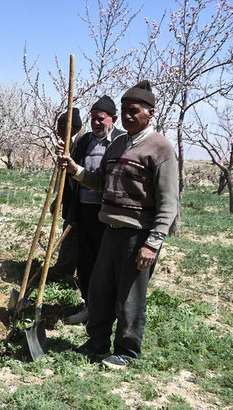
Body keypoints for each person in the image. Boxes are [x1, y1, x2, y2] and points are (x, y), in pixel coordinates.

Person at [58, 80, 178, 369]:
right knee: (100, 292)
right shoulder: (118, 144)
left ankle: (126, 351)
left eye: (133, 111)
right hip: (109, 231)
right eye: (124, 111)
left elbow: (168, 203)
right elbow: (100, 182)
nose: (127, 116)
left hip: (138, 235)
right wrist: (75, 170)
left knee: (129, 299)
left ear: (150, 113)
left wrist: (153, 243)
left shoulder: (160, 149)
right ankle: (97, 342)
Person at [61, 96, 126, 325]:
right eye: (93, 119)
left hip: (107, 215)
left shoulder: (121, 141)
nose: (96, 123)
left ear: (113, 119)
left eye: (101, 119)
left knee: (106, 265)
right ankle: (89, 306)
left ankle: (108, 312)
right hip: (83, 212)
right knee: (85, 263)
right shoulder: (85, 140)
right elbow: (73, 174)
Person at [47, 109, 83, 284]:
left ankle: (63, 271)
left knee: (71, 235)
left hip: (82, 200)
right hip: (70, 198)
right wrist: (57, 200)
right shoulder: (70, 143)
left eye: (59, 128)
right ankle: (65, 268)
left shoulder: (83, 141)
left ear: (66, 127)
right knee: (70, 233)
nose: (57, 132)